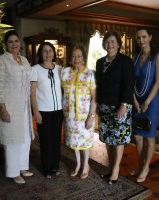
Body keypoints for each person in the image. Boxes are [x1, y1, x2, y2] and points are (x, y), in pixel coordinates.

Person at [0, 30, 35, 184]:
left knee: (25, 137)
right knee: (12, 140)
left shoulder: (24, 60)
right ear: (6, 44)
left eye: (16, 41)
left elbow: (31, 81)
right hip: (10, 106)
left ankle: (23, 166)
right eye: (10, 42)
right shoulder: (1, 61)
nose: (14, 44)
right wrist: (3, 109)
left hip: (24, 106)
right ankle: (13, 171)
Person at [95, 31, 135, 185]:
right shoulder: (99, 62)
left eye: (112, 41)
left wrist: (124, 105)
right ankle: (110, 166)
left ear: (118, 44)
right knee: (108, 139)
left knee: (118, 140)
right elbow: (98, 85)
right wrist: (98, 103)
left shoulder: (125, 61)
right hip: (104, 106)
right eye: (107, 41)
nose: (109, 44)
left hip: (120, 106)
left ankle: (116, 170)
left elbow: (128, 84)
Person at [131, 27, 159, 183]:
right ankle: (140, 164)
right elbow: (131, 82)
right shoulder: (135, 57)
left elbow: (158, 81)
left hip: (152, 102)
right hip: (137, 100)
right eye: (139, 38)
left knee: (149, 137)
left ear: (150, 37)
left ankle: (145, 168)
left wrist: (147, 101)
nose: (141, 40)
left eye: (144, 37)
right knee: (137, 137)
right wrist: (135, 100)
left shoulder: (157, 56)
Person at [60, 43, 97, 179]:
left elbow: (94, 97)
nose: (76, 59)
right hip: (69, 116)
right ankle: (78, 164)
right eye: (74, 56)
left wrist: (91, 116)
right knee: (74, 142)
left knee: (85, 142)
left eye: (79, 56)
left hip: (85, 116)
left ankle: (85, 164)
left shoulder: (89, 74)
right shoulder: (64, 73)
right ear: (70, 58)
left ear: (83, 58)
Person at [30, 42, 63, 179]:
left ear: (54, 53)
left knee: (56, 140)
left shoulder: (60, 69)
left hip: (58, 110)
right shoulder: (35, 69)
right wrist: (36, 111)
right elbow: (32, 93)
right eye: (44, 51)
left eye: (50, 50)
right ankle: (47, 169)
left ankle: (55, 166)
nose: (48, 53)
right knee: (45, 140)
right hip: (43, 110)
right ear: (40, 54)